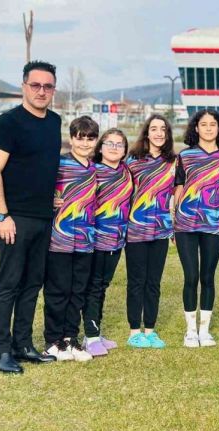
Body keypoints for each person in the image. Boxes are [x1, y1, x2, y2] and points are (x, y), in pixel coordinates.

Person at [0, 60, 60, 373]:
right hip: (13, 217)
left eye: (48, 86)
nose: (42, 91)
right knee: (9, 283)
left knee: (32, 284)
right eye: (35, 85)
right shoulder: (8, 123)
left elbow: (42, 167)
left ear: (53, 90)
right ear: (23, 87)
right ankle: (2, 351)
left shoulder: (54, 122)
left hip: (43, 218)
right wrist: (3, 215)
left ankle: (23, 345)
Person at [174, 110, 219, 348]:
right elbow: (178, 187)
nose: (209, 128)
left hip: (213, 224)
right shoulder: (185, 156)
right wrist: (174, 219)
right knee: (191, 276)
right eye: (204, 124)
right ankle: (190, 331)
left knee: (207, 276)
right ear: (196, 128)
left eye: (213, 124)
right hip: (185, 224)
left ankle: (204, 331)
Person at [42, 116, 98, 362]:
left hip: (85, 239)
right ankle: (53, 341)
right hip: (59, 238)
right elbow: (37, 187)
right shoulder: (59, 164)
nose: (85, 143)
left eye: (90, 138)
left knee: (78, 291)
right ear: (71, 138)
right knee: (58, 290)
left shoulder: (95, 168)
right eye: (80, 138)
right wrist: (48, 199)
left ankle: (70, 338)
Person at [125, 114, 176, 349]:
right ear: (147, 132)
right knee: (137, 281)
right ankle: (135, 331)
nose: (158, 133)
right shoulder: (133, 161)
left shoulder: (174, 162)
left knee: (154, 282)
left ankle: (150, 331)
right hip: (136, 229)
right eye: (154, 129)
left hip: (161, 230)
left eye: (162, 129)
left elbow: (179, 194)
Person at [82, 128, 133, 356]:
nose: (114, 148)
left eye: (119, 144)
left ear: (124, 150)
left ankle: (95, 332)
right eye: (109, 143)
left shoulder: (127, 172)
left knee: (103, 285)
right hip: (94, 239)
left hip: (117, 240)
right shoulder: (92, 171)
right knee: (93, 286)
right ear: (100, 147)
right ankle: (91, 336)